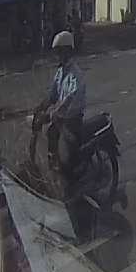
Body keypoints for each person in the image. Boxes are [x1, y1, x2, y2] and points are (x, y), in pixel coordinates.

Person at [33, 30, 87, 198]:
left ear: (68, 51)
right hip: (61, 119)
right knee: (51, 135)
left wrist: (51, 114)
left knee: (69, 150)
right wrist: (40, 108)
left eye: (60, 51)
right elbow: (52, 95)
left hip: (72, 120)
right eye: (56, 52)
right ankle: (57, 171)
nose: (57, 55)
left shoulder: (76, 74)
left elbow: (69, 99)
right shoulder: (60, 72)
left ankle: (75, 183)